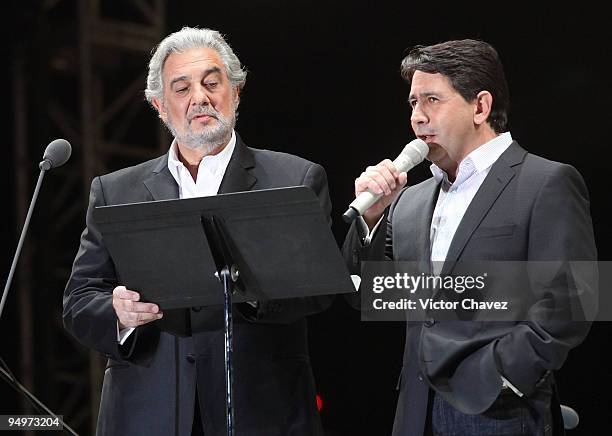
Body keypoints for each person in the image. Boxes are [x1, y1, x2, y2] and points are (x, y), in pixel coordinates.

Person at [63, 26, 332, 436]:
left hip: (263, 411)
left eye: (212, 83)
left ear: (236, 92)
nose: (200, 98)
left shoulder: (294, 177)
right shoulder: (116, 190)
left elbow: (320, 288)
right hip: (147, 415)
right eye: (182, 88)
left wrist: (251, 293)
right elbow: (80, 302)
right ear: (159, 105)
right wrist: (118, 313)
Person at [343, 39, 596, 435]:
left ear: (480, 106)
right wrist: (372, 220)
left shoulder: (544, 182)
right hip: (415, 411)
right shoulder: (409, 202)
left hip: (499, 411)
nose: (418, 117)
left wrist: (499, 377)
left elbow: (572, 300)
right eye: (413, 103)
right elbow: (369, 296)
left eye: (432, 100)